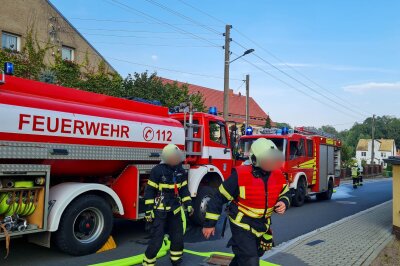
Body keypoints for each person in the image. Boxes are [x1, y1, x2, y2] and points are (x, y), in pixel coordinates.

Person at [202, 138, 290, 266]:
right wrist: (210, 224)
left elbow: (285, 193)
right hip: (241, 223)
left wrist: (284, 202)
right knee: (250, 259)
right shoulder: (240, 175)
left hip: (262, 224)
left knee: (248, 255)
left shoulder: (277, 174)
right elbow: (218, 197)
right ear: (255, 159)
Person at [142, 144, 193, 266]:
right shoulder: (157, 170)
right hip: (160, 211)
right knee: (157, 240)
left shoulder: (180, 170)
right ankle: (148, 263)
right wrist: (148, 211)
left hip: (175, 210)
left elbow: (184, 189)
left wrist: (188, 204)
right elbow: (149, 191)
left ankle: (176, 261)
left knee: (177, 238)